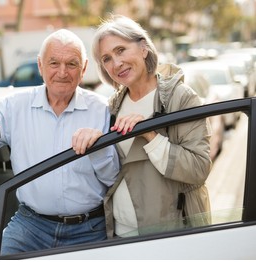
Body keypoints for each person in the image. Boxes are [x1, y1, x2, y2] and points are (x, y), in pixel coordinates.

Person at [0, 29, 120, 255]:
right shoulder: (14, 107)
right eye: (54, 63)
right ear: (40, 66)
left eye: (71, 64)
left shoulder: (103, 110)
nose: (62, 72)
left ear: (84, 69)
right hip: (30, 226)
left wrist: (98, 148)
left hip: (89, 228)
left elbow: (113, 178)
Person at [90, 15, 212, 238]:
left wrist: (150, 134)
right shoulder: (112, 108)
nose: (116, 64)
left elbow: (199, 168)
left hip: (169, 235)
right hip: (121, 234)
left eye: (121, 50)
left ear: (144, 48)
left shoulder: (181, 98)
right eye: (106, 58)